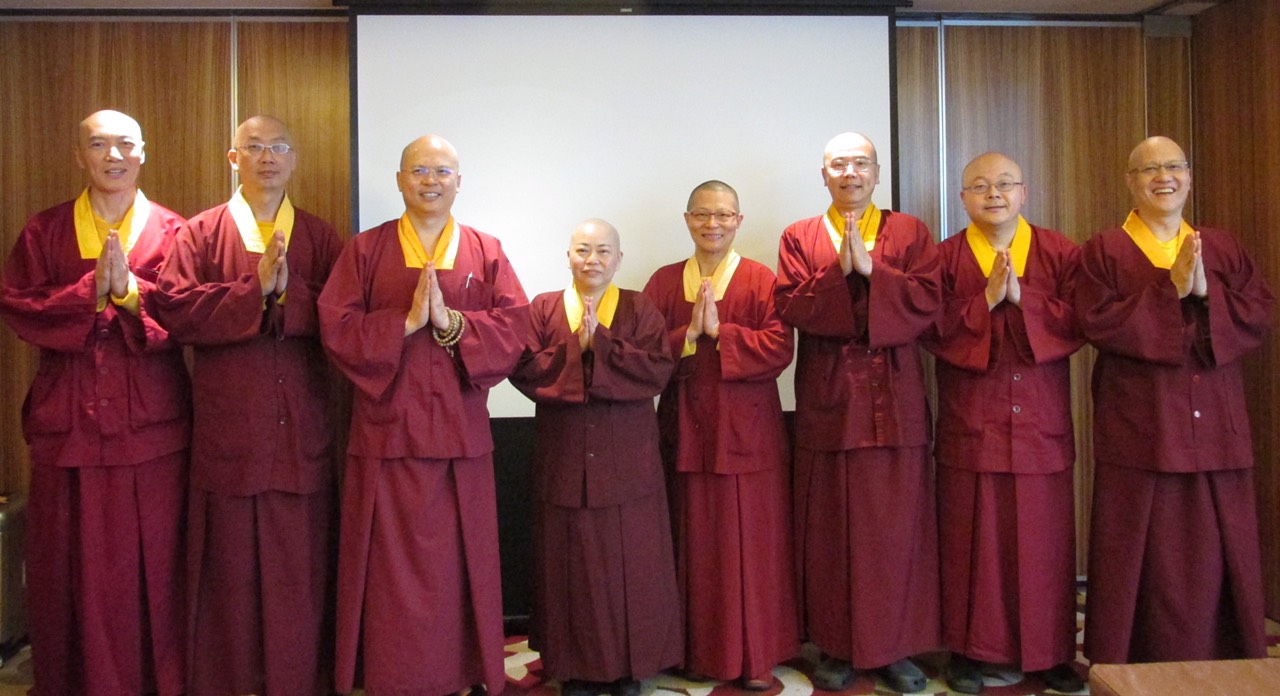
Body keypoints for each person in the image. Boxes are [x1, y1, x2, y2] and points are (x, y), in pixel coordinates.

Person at [317, 134, 527, 695]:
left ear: (459, 181)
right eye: (418, 170)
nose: (430, 181)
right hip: (387, 433)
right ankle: (392, 675)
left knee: (458, 565)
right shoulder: (366, 249)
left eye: (441, 171)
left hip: (459, 434)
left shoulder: (485, 249)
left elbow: (515, 326)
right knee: (388, 569)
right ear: (399, 180)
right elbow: (335, 325)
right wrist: (405, 323)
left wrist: (453, 324)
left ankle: (460, 672)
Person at [0, 110, 190, 696]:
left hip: (149, 420)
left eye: (125, 144)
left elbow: (193, 313)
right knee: (66, 561)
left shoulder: (174, 230)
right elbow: (19, 306)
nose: (113, 155)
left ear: (143, 153)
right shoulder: (46, 230)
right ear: (79, 155)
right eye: (99, 144)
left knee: (154, 560)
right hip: (69, 417)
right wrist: (90, 292)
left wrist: (131, 296)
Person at [154, 115, 343, 695]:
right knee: (230, 570)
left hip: (301, 428)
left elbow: (344, 319)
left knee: (299, 569)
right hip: (230, 428)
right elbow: (174, 310)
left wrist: (290, 294)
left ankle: (299, 681)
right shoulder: (201, 232)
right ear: (233, 158)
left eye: (279, 147)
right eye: (254, 147)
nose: (268, 157)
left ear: (294, 159)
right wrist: (251, 291)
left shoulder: (319, 236)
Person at [1077, 136, 1273, 665]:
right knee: (1140, 544)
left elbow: (1259, 312)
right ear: (1130, 182)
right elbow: (1094, 321)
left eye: (1174, 167)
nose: (1163, 177)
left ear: (1188, 176)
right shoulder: (1105, 250)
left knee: (1219, 542)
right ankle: (1129, 660)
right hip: (1142, 424)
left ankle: (1228, 655)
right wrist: (1171, 292)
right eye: (1149, 170)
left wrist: (1206, 292)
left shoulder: (1222, 246)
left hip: (1216, 422)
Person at [774, 132, 942, 693]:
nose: (851, 173)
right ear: (823, 174)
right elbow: (791, 306)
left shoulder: (910, 232)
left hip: (895, 398)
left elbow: (927, 303)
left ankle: (897, 648)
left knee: (897, 530)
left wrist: (873, 271)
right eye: (839, 164)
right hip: (830, 401)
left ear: (877, 172)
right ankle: (836, 645)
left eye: (861, 163)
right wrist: (836, 276)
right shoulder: (799, 236)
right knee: (832, 531)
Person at [923, 153, 1084, 694]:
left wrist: (1024, 300)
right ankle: (969, 652)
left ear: (1024, 193)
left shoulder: (1060, 251)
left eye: (1004, 184)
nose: (993, 193)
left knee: (1045, 543)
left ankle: (1051, 652)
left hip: (1040, 422)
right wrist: (985, 300)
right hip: (974, 420)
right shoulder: (944, 258)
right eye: (980, 185)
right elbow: (928, 327)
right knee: (972, 541)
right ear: (963, 198)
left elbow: (1084, 319)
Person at [510, 219, 680, 696]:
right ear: (568, 256)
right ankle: (575, 669)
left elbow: (657, 370)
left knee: (632, 568)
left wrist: (599, 346)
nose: (593, 259)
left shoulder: (639, 307)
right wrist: (575, 348)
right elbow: (522, 369)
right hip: (563, 459)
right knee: (568, 569)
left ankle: (629, 670)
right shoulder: (544, 308)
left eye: (604, 251)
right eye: (583, 249)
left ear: (619, 259)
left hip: (628, 462)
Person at [641, 181, 797, 690]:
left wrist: (721, 334)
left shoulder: (760, 279)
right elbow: (642, 355)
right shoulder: (664, 282)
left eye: (724, 215)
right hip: (684, 428)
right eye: (703, 215)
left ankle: (754, 655)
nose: (713, 224)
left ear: (739, 220)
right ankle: (693, 651)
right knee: (691, 544)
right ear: (687, 219)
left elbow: (780, 348)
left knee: (751, 546)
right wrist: (686, 335)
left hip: (748, 432)